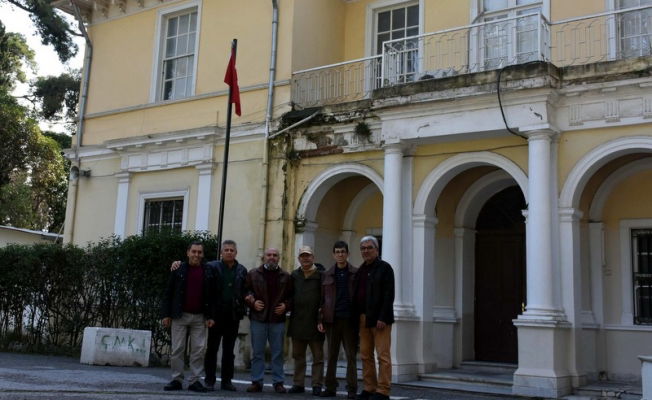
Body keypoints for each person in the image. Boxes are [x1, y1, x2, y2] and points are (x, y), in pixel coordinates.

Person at [172, 240, 248, 391]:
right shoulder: (212, 267)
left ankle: (227, 381)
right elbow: (195, 264)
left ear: (236, 253)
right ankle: (209, 380)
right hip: (215, 315)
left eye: (232, 250)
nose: (229, 252)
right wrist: (177, 263)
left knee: (229, 351)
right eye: (226, 250)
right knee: (211, 349)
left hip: (233, 315)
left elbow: (245, 290)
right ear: (221, 252)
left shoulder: (242, 270)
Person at [160, 241, 217, 393]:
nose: (196, 255)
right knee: (177, 349)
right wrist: (166, 314)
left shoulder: (208, 270)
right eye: (194, 251)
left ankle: (195, 381)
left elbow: (211, 296)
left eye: (199, 252)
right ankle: (176, 380)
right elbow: (169, 293)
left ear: (203, 254)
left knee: (198, 350)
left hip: (200, 317)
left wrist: (210, 316)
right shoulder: (178, 269)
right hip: (180, 316)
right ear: (188, 252)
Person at [244, 247, 292, 394]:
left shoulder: (286, 276)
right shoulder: (253, 274)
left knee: (277, 353)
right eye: (269, 255)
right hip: (258, 318)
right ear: (264, 257)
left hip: (277, 319)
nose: (272, 257)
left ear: (279, 258)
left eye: (275, 255)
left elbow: (292, 296)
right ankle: (257, 382)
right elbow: (245, 291)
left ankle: (278, 383)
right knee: (257, 352)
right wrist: (252, 302)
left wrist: (286, 305)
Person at [353, 236, 395, 400]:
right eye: (363, 248)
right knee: (365, 355)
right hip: (363, 319)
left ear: (377, 250)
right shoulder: (360, 270)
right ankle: (369, 388)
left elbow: (388, 294)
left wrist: (383, 317)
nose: (366, 251)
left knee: (383, 356)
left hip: (380, 320)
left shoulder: (385, 268)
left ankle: (383, 390)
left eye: (369, 247)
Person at [318, 241, 359, 399]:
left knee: (350, 356)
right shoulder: (326, 275)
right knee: (332, 355)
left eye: (343, 251)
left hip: (350, 320)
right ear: (333, 255)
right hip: (332, 320)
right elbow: (321, 300)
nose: (340, 254)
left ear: (348, 254)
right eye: (337, 252)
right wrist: (320, 319)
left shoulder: (355, 273)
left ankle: (352, 389)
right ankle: (330, 387)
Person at [288, 245, 325, 396]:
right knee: (298, 356)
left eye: (308, 255)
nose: (305, 258)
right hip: (297, 321)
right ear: (299, 258)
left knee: (318, 357)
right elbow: (289, 295)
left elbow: (324, 299)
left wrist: (321, 319)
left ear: (313, 257)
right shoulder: (294, 275)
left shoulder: (321, 275)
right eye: (303, 256)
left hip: (315, 322)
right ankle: (298, 384)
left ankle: (317, 384)